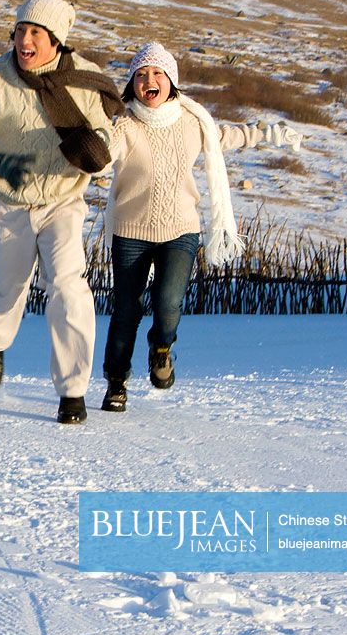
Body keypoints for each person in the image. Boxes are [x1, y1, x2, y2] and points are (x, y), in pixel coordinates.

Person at [99, 42, 302, 412]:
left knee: (168, 303)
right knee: (126, 309)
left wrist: (268, 132)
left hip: (180, 230)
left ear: (171, 81)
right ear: (132, 84)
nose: (149, 81)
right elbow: (99, 157)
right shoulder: (123, 125)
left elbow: (227, 136)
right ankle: (116, 382)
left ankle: (161, 349)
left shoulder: (193, 122)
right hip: (131, 231)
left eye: (157, 73)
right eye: (141, 75)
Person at [0, 0, 124, 425]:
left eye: (36, 34)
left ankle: (72, 391)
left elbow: (110, 126)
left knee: (68, 285)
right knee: (9, 290)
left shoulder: (85, 78)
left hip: (63, 201)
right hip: (9, 203)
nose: (24, 41)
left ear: (57, 41)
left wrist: (99, 148)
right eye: (20, 31)